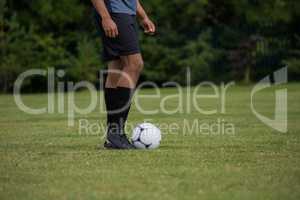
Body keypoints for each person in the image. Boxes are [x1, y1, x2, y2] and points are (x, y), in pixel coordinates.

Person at [91, 0, 156, 149]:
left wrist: (143, 16)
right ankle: (115, 134)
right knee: (135, 64)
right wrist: (106, 17)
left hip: (123, 13)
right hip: (115, 13)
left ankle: (113, 136)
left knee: (117, 67)